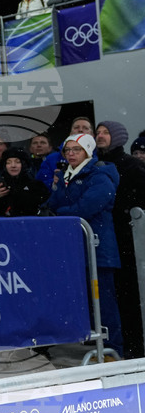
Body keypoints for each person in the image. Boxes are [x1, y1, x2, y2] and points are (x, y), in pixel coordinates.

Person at [46, 133, 123, 359]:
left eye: (76, 149)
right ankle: (92, 346)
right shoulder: (66, 176)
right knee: (86, 302)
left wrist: (56, 214)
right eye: (67, 150)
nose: (70, 154)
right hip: (75, 250)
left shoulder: (100, 175)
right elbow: (54, 202)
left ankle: (113, 349)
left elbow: (85, 207)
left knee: (105, 303)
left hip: (99, 250)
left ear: (88, 152)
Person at [96, 121, 145, 358]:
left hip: (128, 239)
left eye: (105, 132)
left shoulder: (132, 166)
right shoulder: (95, 165)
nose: (100, 136)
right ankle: (121, 344)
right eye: (98, 132)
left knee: (130, 295)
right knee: (113, 296)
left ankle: (135, 345)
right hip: (107, 239)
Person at [0, 147, 48, 217]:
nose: (13, 166)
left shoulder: (35, 185)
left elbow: (38, 208)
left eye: (17, 162)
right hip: (2, 226)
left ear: (24, 165)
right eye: (9, 162)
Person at [37, 117, 95, 188]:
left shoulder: (102, 157)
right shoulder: (51, 159)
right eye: (76, 127)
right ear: (70, 134)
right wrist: (54, 184)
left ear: (92, 135)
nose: (80, 130)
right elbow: (39, 186)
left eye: (85, 128)